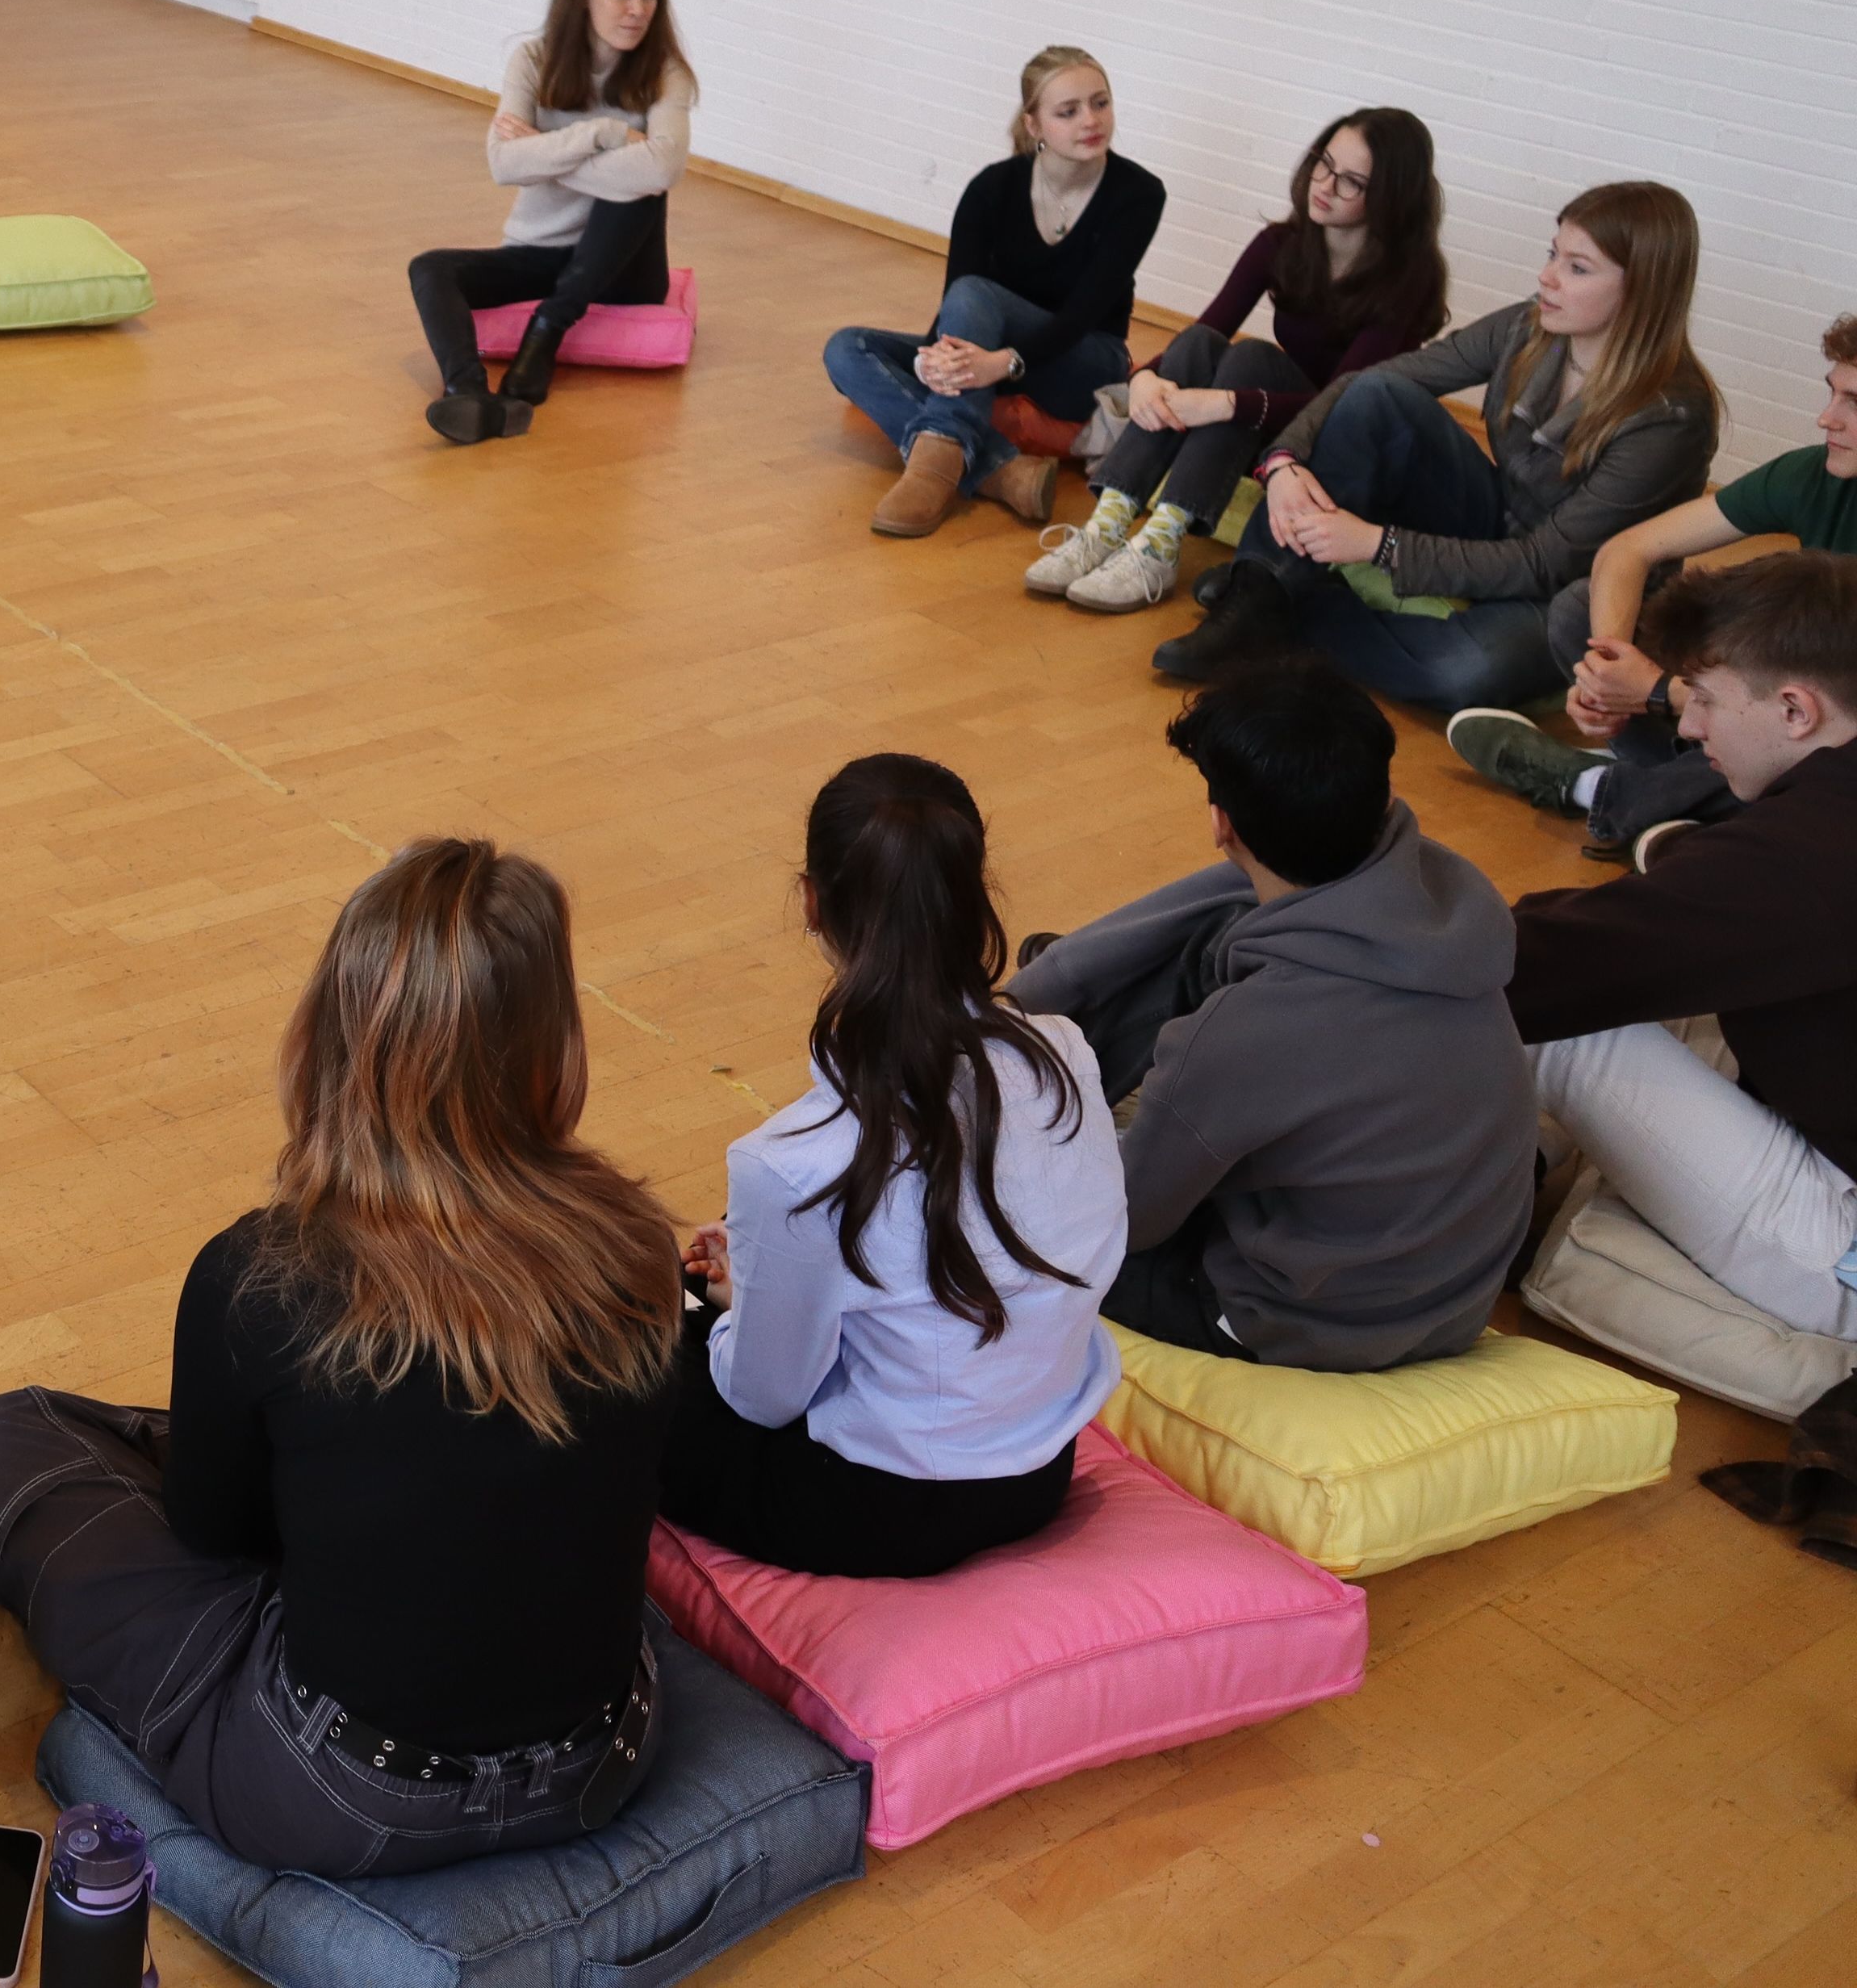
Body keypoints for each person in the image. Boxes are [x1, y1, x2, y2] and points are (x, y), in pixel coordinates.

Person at [0, 841, 684, 1879]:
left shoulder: (264, 1279)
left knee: (5, 1439)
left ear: (335, 1032)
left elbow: (219, 1534)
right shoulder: (640, 1249)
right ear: (549, 1044)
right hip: (608, 1755)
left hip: (344, 1793)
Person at [662, 756, 1123, 1576]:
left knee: (628, 1337)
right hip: (1038, 1469)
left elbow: (765, 1398)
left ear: (812, 900)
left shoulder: (792, 1163)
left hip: (874, 1510)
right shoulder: (1068, 1056)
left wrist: (734, 1304)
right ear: (970, 892)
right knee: (722, 1300)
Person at [1010, 668, 1529, 1371]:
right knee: (1215, 926)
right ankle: (1040, 1030)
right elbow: (1226, 894)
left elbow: (1122, 1220)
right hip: (1454, 1298)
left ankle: (1024, 1074)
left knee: (1006, 1227)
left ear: (1221, 824)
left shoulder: (1237, 1036)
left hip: (1308, 1323)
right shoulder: (1446, 901)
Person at [1158, 181, 1721, 702]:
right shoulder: (1529, 325)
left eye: (1577, 268)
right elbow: (1374, 380)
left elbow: (1544, 563)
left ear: (1642, 290)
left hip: (1575, 589)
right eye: (1553, 254)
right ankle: (1259, 591)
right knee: (1379, 397)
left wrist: (1377, 545)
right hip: (1499, 513)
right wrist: (1281, 462)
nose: (1547, 277)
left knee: (1468, 670)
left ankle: (1288, 607)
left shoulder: (1672, 416)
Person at [1511, 552, 1857, 1345]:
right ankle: (1510, 1156)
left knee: (1565, 1027)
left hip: (1840, 1245)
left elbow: (1539, 965)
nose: (1690, 723)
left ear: (1797, 710)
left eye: (1702, 698)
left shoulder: (1802, 858)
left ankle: (1446, 1195)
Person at [1450, 312, 1857, 866]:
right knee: (1578, 608)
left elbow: (1832, 716)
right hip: (1777, 698)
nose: (1826, 418)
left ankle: (1599, 789)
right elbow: (1627, 550)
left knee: (1819, 738)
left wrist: (1661, 690)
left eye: (1854, 403)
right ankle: (1694, 804)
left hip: (1824, 723)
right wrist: (1609, 673)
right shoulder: (1816, 473)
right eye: (1832, 394)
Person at [1031, 110, 1448, 613]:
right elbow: (1207, 331)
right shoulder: (1284, 243)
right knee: (1200, 344)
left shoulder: (1406, 281)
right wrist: (1145, 378)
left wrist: (1228, 404)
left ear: (1390, 200)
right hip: (1274, 417)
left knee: (1251, 358)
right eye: (1324, 163)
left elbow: (1340, 403)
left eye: (1352, 182)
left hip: (1342, 441)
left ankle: (1162, 543)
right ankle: (1108, 524)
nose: (1326, 185)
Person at [825, 48, 1165, 538]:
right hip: (984, 363)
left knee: (975, 296)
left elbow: (1078, 318)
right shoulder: (991, 189)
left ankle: (935, 470)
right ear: (1034, 124)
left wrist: (1002, 363)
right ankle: (1003, 473)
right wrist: (934, 359)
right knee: (847, 348)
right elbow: (953, 312)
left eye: (1100, 103)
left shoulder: (1139, 194)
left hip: (1083, 363)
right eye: (1068, 112)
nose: (1090, 121)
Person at [404, 0, 696, 447]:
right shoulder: (534, 60)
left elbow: (659, 172)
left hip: (625, 269)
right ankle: (468, 394)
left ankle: (547, 328)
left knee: (634, 190)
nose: (638, 10)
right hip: (542, 253)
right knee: (429, 268)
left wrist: (543, 152)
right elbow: (502, 164)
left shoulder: (665, 72)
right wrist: (601, 135)